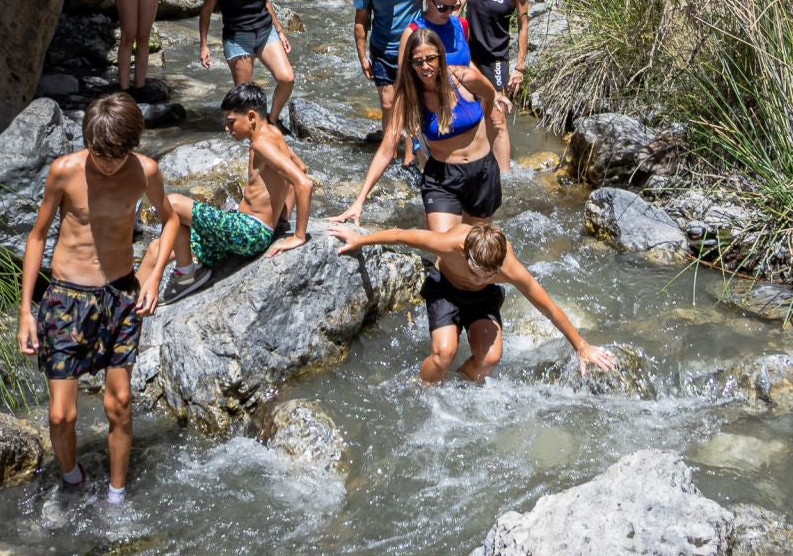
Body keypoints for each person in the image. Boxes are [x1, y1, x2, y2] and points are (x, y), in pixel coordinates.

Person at [18, 94, 177, 505]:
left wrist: (154, 276)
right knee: (61, 415)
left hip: (120, 295)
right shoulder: (65, 171)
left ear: (132, 146)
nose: (108, 164)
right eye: (100, 155)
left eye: (116, 156)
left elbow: (171, 219)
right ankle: (72, 477)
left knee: (120, 402)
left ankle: (117, 495)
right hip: (65, 298)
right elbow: (37, 236)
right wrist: (25, 312)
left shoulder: (145, 171)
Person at [328, 219, 616, 384]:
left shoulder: (510, 269)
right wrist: (359, 239)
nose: (479, 278)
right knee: (444, 353)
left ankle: (459, 387)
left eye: (487, 275)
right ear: (465, 253)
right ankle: (421, 391)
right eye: (475, 272)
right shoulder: (450, 243)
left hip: (482, 302)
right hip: (446, 290)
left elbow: (548, 307)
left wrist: (582, 346)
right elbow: (404, 236)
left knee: (490, 359)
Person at [154, 84, 313, 302]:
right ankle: (187, 270)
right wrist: (282, 219)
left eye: (231, 123)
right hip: (256, 229)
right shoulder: (275, 133)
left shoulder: (261, 144)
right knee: (170, 235)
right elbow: (302, 168)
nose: (227, 130)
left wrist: (299, 236)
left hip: (249, 232)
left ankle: (186, 277)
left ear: (251, 117)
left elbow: (303, 183)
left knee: (172, 203)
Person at [333, 27, 500, 231]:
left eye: (431, 58)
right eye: (418, 61)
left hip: (482, 172)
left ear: (441, 56)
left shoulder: (465, 78)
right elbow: (386, 149)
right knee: (444, 245)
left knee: (478, 246)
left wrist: (483, 130)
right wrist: (359, 201)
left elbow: (490, 95)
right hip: (443, 177)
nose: (425, 67)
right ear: (410, 65)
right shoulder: (409, 99)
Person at [197, 0, 296, 123]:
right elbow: (206, 10)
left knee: (287, 79)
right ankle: (244, 130)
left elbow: (265, 2)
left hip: (265, 31)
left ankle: (271, 121)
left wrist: (281, 31)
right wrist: (204, 45)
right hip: (238, 38)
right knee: (246, 97)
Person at [458, 0, 531, 173]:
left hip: (495, 59)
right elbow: (458, 7)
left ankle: (504, 176)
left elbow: (523, 27)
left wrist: (519, 68)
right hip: (469, 54)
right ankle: (477, 162)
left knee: (497, 118)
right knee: (469, 110)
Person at [353, 0, 425, 162]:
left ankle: (410, 154)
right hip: (382, 49)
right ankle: (391, 153)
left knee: (412, 101)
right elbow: (361, 21)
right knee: (387, 104)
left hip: (414, 49)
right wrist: (363, 56)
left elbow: (438, 0)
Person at [408, 0, 473, 68]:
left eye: (454, 6)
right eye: (443, 7)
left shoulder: (462, 25)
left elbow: (468, 62)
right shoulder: (413, 32)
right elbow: (405, 78)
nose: (449, 12)